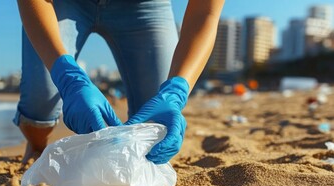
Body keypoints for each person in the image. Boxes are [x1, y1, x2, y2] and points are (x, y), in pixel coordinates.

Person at [15, 0, 225, 164]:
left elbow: (205, 12)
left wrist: (176, 91)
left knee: (155, 129)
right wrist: (68, 77)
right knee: (40, 101)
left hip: (146, 6)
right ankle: (36, 144)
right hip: (63, 3)